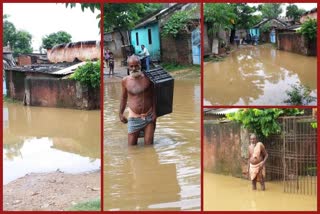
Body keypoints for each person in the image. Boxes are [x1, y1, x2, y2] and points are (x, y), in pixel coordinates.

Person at [119, 55, 157, 145]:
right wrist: (120, 113)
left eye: (136, 65)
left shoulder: (148, 78)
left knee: (149, 146)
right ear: (128, 67)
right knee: (131, 146)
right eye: (131, 66)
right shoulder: (125, 81)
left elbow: (154, 96)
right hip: (133, 117)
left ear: (140, 65)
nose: (134, 68)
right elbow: (123, 98)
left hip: (149, 116)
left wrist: (155, 113)